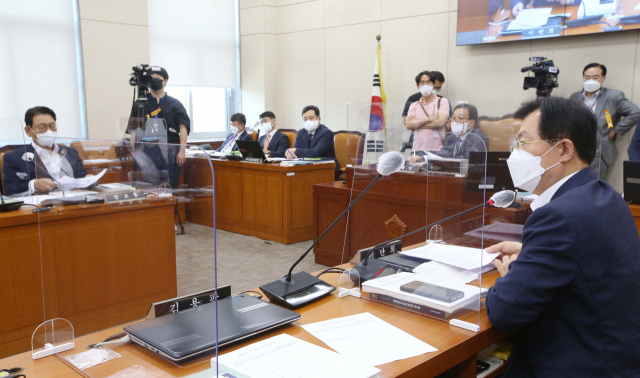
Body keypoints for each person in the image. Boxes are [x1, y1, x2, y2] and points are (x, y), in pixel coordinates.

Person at [486, 97, 640, 377]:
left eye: (523, 143)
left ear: (564, 149)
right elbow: (584, 256)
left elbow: (504, 310)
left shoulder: (558, 216)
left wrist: (512, 273)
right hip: (616, 359)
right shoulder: (606, 196)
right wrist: (530, 250)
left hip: (575, 364)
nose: (514, 154)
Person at [569, 64, 640, 180]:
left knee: (595, 184)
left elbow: (635, 113)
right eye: (587, 77)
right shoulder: (575, 97)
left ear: (603, 79)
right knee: (575, 183)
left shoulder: (613, 96)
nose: (591, 80)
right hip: (577, 150)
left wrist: (616, 129)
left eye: (595, 77)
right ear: (583, 78)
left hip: (600, 151)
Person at [3, 106, 90, 195]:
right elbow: (10, 189)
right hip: (39, 206)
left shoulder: (70, 152)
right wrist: (34, 185)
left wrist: (89, 180)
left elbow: (82, 179)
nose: (49, 131)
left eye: (52, 126)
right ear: (28, 131)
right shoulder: (15, 157)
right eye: (42, 127)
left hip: (74, 203)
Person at [129, 66, 190, 189]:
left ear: (165, 81)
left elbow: (183, 128)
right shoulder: (141, 103)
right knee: (150, 187)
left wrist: (182, 151)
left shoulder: (175, 104)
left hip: (171, 151)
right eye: (151, 77)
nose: (155, 80)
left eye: (158, 77)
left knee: (171, 186)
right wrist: (137, 153)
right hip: (148, 150)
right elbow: (134, 129)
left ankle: (173, 208)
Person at [408, 104, 489, 162]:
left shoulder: (480, 139)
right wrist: (422, 156)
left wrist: (440, 160)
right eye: (453, 118)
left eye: (460, 118)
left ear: (471, 122)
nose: (454, 121)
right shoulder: (451, 138)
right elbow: (443, 154)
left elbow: (465, 159)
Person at [405, 71, 450, 153]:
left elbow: (441, 122)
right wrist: (429, 119)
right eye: (422, 82)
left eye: (428, 82)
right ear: (418, 86)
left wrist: (417, 124)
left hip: (437, 149)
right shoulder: (414, 105)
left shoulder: (442, 101)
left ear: (433, 85)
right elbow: (408, 125)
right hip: (417, 148)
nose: (425, 85)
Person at [285, 105, 340, 173]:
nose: (308, 121)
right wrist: (290, 155)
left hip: (326, 169)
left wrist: (295, 150)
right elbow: (294, 152)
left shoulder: (326, 133)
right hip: (307, 168)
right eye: (305, 119)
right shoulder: (301, 132)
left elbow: (314, 154)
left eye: (311, 118)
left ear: (319, 119)